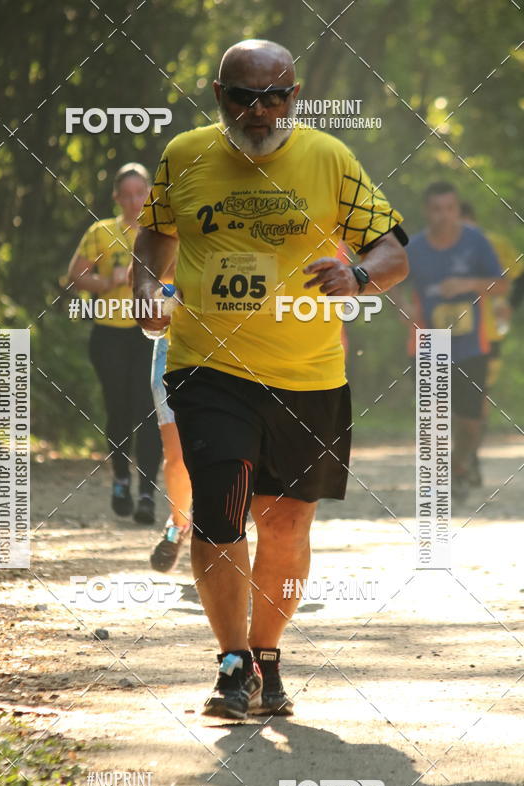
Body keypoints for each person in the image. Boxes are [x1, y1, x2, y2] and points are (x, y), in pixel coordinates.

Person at [133, 39, 409, 719]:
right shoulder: (185, 155)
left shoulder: (329, 159)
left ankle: (267, 656)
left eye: (275, 97)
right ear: (218, 96)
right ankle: (232, 664)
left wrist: (360, 275)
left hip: (308, 374)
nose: (259, 112)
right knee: (221, 509)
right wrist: (146, 283)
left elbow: (394, 250)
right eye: (243, 98)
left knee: (285, 526)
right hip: (209, 365)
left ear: (296, 96)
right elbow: (156, 234)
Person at [68, 164, 162, 523]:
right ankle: (121, 479)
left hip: (150, 333)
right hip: (108, 333)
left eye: (141, 193)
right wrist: (108, 280)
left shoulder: (162, 232)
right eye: (127, 195)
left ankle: (148, 495)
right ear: (116, 198)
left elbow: (181, 275)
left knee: (149, 412)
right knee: (118, 409)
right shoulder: (101, 231)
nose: (134, 201)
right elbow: (75, 275)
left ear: (150, 193)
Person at [405, 183, 510, 501]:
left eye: (449, 208)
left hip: (470, 345)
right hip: (428, 344)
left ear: (457, 209)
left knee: (469, 423)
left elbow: (502, 284)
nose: (443, 216)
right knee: (435, 416)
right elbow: (394, 283)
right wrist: (405, 306)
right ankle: (440, 480)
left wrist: (467, 283)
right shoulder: (415, 248)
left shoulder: (476, 242)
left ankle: (458, 464)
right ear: (427, 211)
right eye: (436, 209)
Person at [460, 201, 514, 486]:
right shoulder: (436, 245)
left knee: (478, 398)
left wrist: (511, 307)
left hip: (487, 334)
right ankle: (458, 460)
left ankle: (471, 456)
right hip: (446, 333)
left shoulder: (493, 243)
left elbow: (518, 276)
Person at [149, 333, 192, 571]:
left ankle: (219, 542)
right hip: (173, 345)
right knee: (177, 461)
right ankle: (179, 523)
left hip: (230, 350)